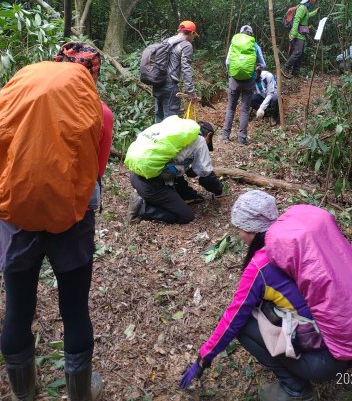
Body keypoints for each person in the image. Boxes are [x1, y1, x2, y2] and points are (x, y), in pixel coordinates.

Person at [180, 190, 352, 401]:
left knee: (242, 327)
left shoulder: (261, 266)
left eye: (239, 229)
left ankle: (295, 388)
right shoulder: (303, 243)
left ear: (250, 229)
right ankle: (344, 363)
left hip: (325, 362)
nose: (239, 235)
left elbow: (233, 319)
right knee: (267, 306)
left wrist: (203, 359)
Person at [0, 43, 113, 401]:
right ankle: (80, 393)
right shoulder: (100, 112)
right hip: (72, 219)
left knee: (18, 310)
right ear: (91, 75)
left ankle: (25, 394)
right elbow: (95, 172)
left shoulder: (18, 93)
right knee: (75, 308)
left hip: (17, 218)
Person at [127, 119, 223, 225]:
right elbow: (206, 176)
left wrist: (191, 195)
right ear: (209, 135)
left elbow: (180, 172)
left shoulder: (178, 136)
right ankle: (143, 208)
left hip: (135, 175)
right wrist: (218, 189)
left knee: (174, 169)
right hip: (151, 186)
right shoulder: (200, 141)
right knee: (186, 216)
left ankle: (156, 197)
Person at [221, 25, 266, 145]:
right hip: (249, 81)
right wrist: (256, 68)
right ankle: (242, 138)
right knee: (245, 110)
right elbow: (263, 64)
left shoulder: (234, 43)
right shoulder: (255, 45)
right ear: (251, 34)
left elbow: (227, 62)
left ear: (240, 33)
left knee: (231, 108)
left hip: (234, 80)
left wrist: (232, 73)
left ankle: (225, 135)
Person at [152, 20, 199, 123]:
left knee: (159, 121)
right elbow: (186, 69)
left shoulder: (166, 41)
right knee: (171, 124)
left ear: (180, 30)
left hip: (157, 83)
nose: (193, 38)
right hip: (170, 86)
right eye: (194, 35)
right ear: (191, 33)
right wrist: (191, 92)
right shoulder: (186, 45)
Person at [282, 0, 319, 79]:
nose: (315, 1)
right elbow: (296, 20)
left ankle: (296, 72)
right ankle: (285, 68)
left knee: (300, 53)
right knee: (298, 52)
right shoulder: (302, 8)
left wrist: (315, 12)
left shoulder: (305, 8)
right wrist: (293, 34)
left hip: (301, 34)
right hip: (297, 34)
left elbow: (306, 16)